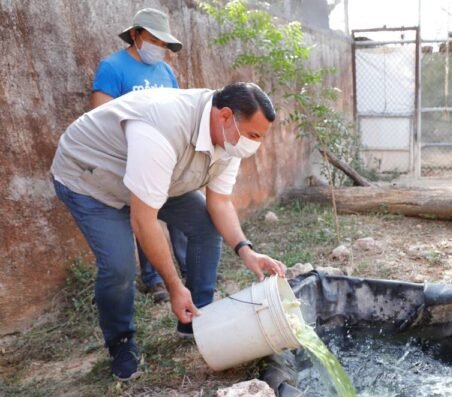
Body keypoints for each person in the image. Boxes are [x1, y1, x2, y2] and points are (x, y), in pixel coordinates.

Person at [51, 82, 287, 381]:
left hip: (157, 177)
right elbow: (143, 220)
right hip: (92, 180)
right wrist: (175, 286)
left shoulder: (229, 140)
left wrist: (246, 249)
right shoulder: (161, 126)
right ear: (226, 116)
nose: (255, 144)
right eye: (253, 135)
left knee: (205, 226)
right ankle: (121, 342)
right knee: (119, 266)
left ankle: (196, 319)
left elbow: (220, 203)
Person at [91, 7, 188, 304]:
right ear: (135, 35)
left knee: (182, 212)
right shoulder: (112, 67)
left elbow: (179, 110)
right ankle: (154, 279)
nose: (159, 48)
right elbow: (100, 114)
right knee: (146, 217)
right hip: (131, 155)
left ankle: (187, 270)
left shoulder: (166, 71)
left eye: (164, 43)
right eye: (154, 40)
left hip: (168, 154)